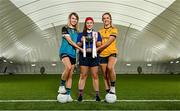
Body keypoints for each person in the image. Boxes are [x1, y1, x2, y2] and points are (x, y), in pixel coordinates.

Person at [58, 12, 83, 102]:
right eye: (72, 18)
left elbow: (77, 43)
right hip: (64, 52)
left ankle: (68, 95)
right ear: (69, 19)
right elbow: (70, 41)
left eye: (76, 19)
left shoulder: (77, 32)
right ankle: (61, 86)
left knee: (70, 76)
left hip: (73, 54)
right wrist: (80, 48)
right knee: (68, 67)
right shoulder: (65, 28)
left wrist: (82, 42)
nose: (74, 20)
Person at [77, 17, 102, 102]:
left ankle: (97, 95)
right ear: (85, 24)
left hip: (94, 56)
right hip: (84, 56)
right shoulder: (81, 34)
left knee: (95, 75)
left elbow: (99, 44)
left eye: (91, 23)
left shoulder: (96, 33)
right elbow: (78, 44)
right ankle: (80, 95)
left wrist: (95, 40)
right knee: (83, 75)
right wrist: (81, 41)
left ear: (93, 24)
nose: (89, 24)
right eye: (87, 23)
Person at [97, 12, 118, 96]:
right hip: (102, 54)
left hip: (112, 53)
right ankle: (108, 92)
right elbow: (98, 42)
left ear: (110, 19)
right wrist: (97, 46)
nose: (106, 19)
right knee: (105, 75)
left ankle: (113, 87)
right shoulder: (100, 31)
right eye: (104, 18)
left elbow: (109, 41)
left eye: (107, 18)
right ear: (102, 20)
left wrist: (98, 48)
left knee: (110, 67)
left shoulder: (114, 29)